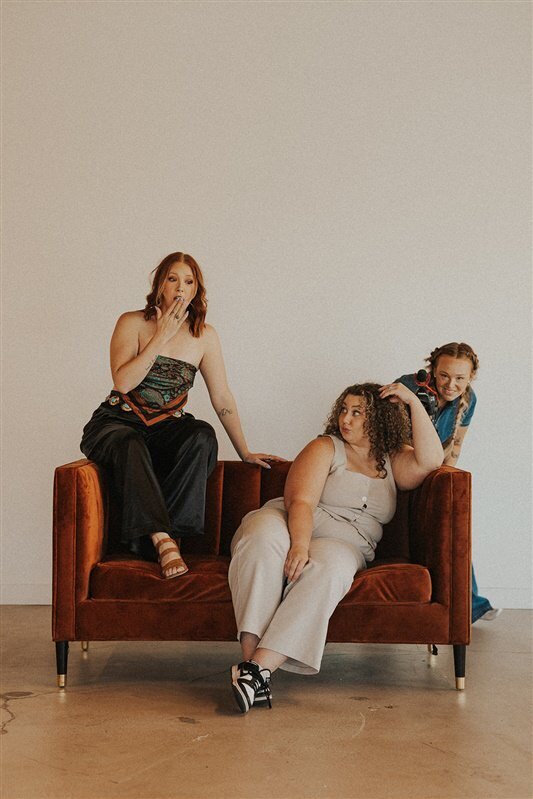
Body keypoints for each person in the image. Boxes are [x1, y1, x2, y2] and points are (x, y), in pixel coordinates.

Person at [228, 382, 443, 713]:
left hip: (345, 543)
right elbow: (300, 501)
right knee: (261, 538)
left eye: (358, 413)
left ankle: (255, 671)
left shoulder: (394, 459)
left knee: (332, 569)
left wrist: (412, 400)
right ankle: (253, 669)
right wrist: (299, 545)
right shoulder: (326, 447)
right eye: (344, 410)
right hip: (292, 523)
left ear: (380, 418)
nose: (346, 419)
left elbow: (432, 460)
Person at [81, 251, 284, 579]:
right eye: (173, 279)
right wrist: (160, 335)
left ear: (196, 289)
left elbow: (221, 396)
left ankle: (163, 534)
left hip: (165, 426)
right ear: (160, 284)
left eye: (188, 281)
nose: (180, 287)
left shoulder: (205, 335)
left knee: (201, 434)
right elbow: (123, 381)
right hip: (118, 422)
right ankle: (163, 540)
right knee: (130, 441)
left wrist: (244, 450)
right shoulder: (131, 322)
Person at [396, 342, 500, 623]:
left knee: (454, 517)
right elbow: (396, 443)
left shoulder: (470, 400)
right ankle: (469, 604)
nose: (451, 384)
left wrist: (444, 485)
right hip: (400, 470)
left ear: (470, 378)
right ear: (433, 370)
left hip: (431, 469)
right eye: (444, 375)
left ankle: (470, 605)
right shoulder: (409, 386)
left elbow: (454, 447)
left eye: (460, 379)